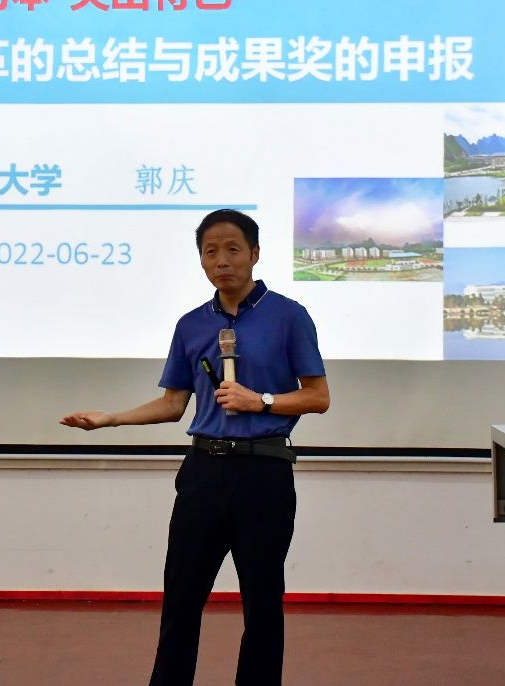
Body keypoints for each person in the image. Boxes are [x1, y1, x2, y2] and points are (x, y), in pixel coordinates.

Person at [61, 208, 330, 686]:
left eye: (232, 249)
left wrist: (262, 401)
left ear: (255, 254)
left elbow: (318, 397)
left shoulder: (289, 316)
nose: (221, 260)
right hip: (204, 472)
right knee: (181, 599)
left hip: (264, 473)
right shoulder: (191, 325)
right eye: (210, 252)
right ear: (201, 260)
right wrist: (112, 419)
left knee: (262, 603)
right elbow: (172, 404)